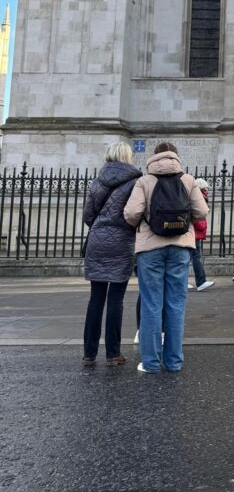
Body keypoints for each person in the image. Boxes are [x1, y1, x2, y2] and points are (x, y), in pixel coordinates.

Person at [123, 142, 208, 373]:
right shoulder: (188, 180)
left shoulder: (144, 181)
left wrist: (144, 222)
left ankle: (150, 362)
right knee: (176, 304)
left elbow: (131, 213)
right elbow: (202, 211)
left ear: (155, 157)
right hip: (180, 247)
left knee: (151, 304)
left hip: (150, 248)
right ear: (175, 157)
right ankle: (173, 361)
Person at [82, 142, 141, 367]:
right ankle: (113, 354)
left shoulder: (97, 182)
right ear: (127, 156)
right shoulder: (134, 182)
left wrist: (102, 227)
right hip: (122, 242)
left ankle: (89, 353)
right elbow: (134, 213)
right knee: (116, 299)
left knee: (96, 298)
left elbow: (88, 216)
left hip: (97, 241)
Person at [191, 178, 215, 292]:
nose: (207, 191)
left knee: (190, 257)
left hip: (195, 232)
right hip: (194, 232)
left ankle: (199, 281)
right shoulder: (198, 199)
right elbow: (198, 217)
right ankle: (201, 281)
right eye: (205, 189)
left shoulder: (199, 198)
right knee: (195, 257)